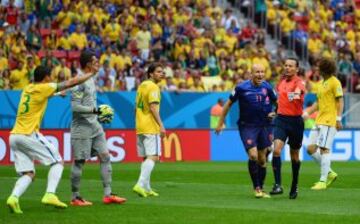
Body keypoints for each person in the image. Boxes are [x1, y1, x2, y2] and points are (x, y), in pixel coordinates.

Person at [6, 64, 99, 214]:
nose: (52, 78)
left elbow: (41, 94)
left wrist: (56, 93)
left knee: (28, 174)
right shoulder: (44, 87)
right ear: (46, 78)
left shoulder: (28, 88)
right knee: (57, 162)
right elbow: (70, 82)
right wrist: (90, 74)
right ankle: (50, 194)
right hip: (28, 134)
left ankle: (13, 198)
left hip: (14, 136)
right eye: (50, 76)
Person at [70, 50, 126, 206]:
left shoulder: (91, 79)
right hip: (81, 127)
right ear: (88, 64)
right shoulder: (79, 81)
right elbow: (75, 107)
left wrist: (96, 113)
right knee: (80, 162)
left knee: (105, 156)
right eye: (95, 61)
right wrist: (95, 110)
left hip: (95, 126)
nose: (98, 64)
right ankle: (75, 197)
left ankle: (108, 194)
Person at [215, 64, 277, 198]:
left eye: (262, 72)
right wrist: (220, 123)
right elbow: (228, 104)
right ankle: (257, 188)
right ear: (251, 74)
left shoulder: (267, 87)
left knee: (262, 158)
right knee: (253, 155)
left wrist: (275, 112)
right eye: (257, 72)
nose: (260, 74)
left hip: (265, 125)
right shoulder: (241, 88)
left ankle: (261, 187)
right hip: (247, 126)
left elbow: (278, 103)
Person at [303, 58, 343, 190]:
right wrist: (307, 113)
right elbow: (317, 104)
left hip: (329, 121)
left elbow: (340, 101)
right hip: (319, 120)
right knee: (310, 149)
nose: (317, 69)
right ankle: (330, 172)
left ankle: (322, 181)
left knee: (324, 149)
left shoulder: (335, 82)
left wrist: (338, 119)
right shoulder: (321, 84)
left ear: (325, 69)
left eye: (319, 67)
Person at [270, 58, 306, 199]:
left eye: (291, 66)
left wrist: (288, 96)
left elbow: (297, 94)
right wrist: (276, 109)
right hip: (281, 120)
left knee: (294, 156)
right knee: (277, 150)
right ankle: (278, 184)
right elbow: (279, 101)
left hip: (296, 122)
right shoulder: (281, 83)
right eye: (285, 65)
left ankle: (294, 184)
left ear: (297, 69)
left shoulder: (300, 82)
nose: (287, 68)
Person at [133, 63, 165, 197]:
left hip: (140, 126)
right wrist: (161, 125)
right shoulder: (153, 87)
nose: (162, 74)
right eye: (158, 72)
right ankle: (139, 184)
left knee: (146, 157)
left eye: (162, 72)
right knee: (154, 156)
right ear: (151, 74)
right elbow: (153, 108)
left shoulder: (142, 85)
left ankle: (146, 187)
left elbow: (135, 107)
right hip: (150, 126)